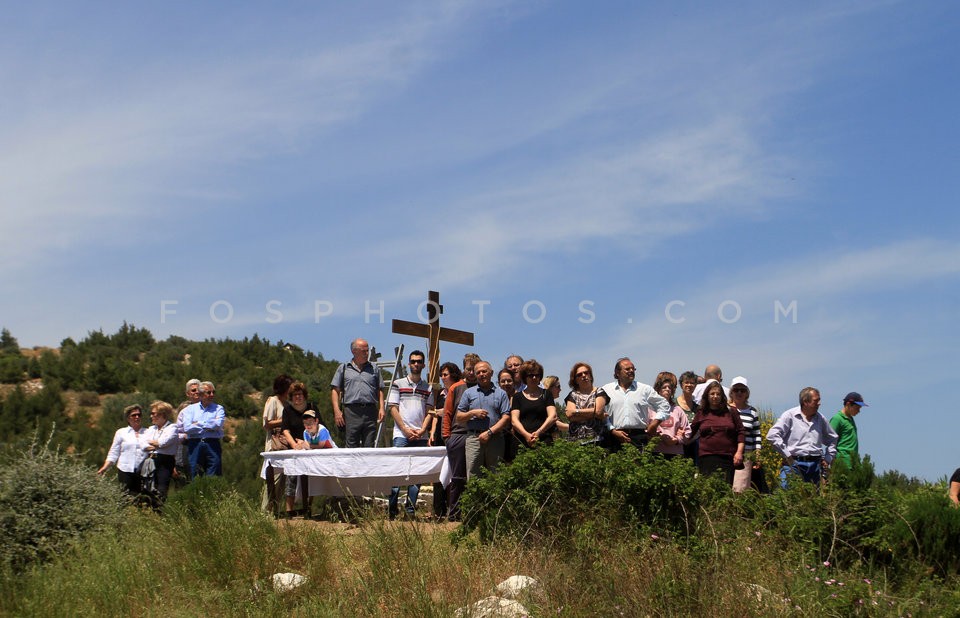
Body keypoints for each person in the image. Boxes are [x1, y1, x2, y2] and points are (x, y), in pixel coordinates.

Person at [387, 350, 435, 520]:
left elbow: (430, 411)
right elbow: (393, 408)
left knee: (417, 474)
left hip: (420, 435)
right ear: (409, 363)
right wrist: (405, 430)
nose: (416, 364)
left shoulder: (428, 387)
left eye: (419, 361)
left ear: (423, 364)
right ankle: (392, 510)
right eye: (413, 361)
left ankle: (410, 511)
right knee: (396, 473)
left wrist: (422, 430)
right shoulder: (398, 383)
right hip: (401, 434)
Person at [767, 387, 838, 488]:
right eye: (816, 400)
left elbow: (833, 438)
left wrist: (828, 459)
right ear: (805, 402)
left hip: (815, 466)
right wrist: (787, 455)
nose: (819, 403)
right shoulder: (790, 416)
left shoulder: (820, 418)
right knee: (788, 496)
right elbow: (772, 435)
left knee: (812, 500)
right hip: (794, 464)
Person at [596, 357, 671, 451]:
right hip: (613, 437)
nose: (631, 371)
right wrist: (612, 430)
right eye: (627, 369)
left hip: (638, 437)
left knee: (639, 464)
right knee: (614, 465)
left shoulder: (644, 389)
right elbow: (601, 413)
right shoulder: (607, 390)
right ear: (617, 373)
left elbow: (664, 405)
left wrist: (655, 423)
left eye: (633, 369)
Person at [456, 360, 511, 478]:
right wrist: (472, 413)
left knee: (496, 475)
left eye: (484, 371)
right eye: (478, 372)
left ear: (491, 373)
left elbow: (506, 418)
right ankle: (475, 497)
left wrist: (489, 432)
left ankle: (496, 497)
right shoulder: (468, 393)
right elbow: (459, 417)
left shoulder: (501, 394)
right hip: (474, 439)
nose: (481, 374)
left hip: (495, 439)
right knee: (473, 475)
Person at [443, 353, 480, 521]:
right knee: (457, 477)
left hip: (478, 435)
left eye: (474, 369)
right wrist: (446, 437)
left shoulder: (483, 387)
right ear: (464, 369)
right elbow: (448, 413)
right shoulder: (456, 387)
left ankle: (474, 513)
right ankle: (455, 514)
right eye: (468, 369)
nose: (471, 372)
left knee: (475, 475)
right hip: (458, 434)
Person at [331, 338, 385, 448]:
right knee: (351, 446)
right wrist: (337, 411)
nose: (367, 353)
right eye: (363, 351)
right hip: (351, 411)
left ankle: (367, 465)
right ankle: (351, 466)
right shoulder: (344, 368)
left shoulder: (374, 368)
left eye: (367, 350)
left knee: (369, 446)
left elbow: (380, 389)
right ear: (354, 351)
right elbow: (335, 390)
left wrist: (382, 408)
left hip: (370, 411)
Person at [691, 381, 745, 485]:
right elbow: (691, 431)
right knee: (708, 490)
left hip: (727, 457)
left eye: (718, 394)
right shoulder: (701, 412)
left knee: (724, 491)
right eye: (712, 394)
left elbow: (741, 432)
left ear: (722, 396)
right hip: (707, 458)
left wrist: (739, 452)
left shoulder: (731, 411)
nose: (715, 396)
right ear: (707, 395)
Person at [429, 361, 461, 520]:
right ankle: (438, 510)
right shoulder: (440, 393)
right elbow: (436, 414)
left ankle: (453, 509)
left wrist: (445, 412)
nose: (442, 377)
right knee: (439, 472)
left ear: (453, 375)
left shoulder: (460, 391)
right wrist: (432, 432)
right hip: (440, 435)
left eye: (445, 374)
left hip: (455, 434)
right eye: (441, 375)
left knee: (454, 473)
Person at [178, 381, 226, 478]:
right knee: (195, 472)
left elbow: (217, 424)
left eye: (213, 392)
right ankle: (197, 493)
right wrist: (209, 424)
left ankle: (211, 493)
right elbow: (187, 428)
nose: (212, 395)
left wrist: (198, 423)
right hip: (195, 444)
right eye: (208, 392)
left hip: (212, 443)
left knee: (214, 472)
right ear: (200, 394)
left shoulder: (218, 408)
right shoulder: (189, 410)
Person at [97, 404, 147, 496]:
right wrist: (105, 467)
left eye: (139, 415)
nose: (137, 417)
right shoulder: (121, 433)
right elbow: (114, 452)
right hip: (125, 470)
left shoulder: (148, 432)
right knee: (125, 496)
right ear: (128, 418)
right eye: (134, 415)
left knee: (141, 497)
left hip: (142, 472)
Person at [281, 382, 315, 517]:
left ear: (304, 395)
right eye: (295, 395)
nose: (298, 397)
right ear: (291, 397)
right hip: (294, 450)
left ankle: (308, 509)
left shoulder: (312, 407)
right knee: (291, 478)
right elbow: (285, 430)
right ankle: (289, 511)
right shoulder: (287, 410)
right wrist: (294, 445)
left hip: (311, 448)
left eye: (300, 394)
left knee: (313, 478)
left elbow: (320, 427)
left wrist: (307, 443)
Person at [262, 374, 294, 515]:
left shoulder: (287, 404)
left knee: (282, 481)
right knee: (272, 481)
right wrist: (285, 421)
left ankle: (275, 511)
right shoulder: (273, 401)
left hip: (284, 446)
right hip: (274, 446)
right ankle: (265, 512)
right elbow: (266, 423)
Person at [510, 360, 557, 448]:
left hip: (544, 440)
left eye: (537, 375)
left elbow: (552, 416)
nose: (534, 378)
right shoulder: (517, 397)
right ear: (524, 377)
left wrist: (538, 432)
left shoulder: (547, 394)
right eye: (531, 375)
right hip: (522, 442)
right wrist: (526, 435)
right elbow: (514, 420)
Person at [728, 377, 764, 493]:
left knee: (741, 489)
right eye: (736, 390)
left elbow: (757, 435)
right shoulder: (725, 409)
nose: (739, 393)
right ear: (731, 392)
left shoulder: (752, 411)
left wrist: (757, 454)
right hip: (727, 453)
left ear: (747, 393)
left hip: (746, 456)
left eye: (742, 390)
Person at [143, 400, 179, 505]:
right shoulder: (151, 429)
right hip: (151, 460)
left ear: (163, 415)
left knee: (161, 488)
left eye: (154, 414)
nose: (151, 416)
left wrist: (154, 444)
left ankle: (160, 512)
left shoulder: (172, 428)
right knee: (149, 487)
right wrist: (155, 444)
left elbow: (163, 442)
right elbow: (143, 444)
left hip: (165, 462)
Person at [648, 372, 691, 458]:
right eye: (664, 387)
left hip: (675, 453)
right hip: (655, 452)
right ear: (658, 389)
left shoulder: (678, 410)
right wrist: (659, 436)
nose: (667, 389)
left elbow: (687, 432)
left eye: (670, 387)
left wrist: (676, 440)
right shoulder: (649, 409)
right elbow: (645, 428)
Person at [564, 362, 604, 444]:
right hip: (576, 441)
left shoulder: (599, 391)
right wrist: (594, 415)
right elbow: (569, 415)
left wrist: (576, 411)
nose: (583, 375)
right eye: (579, 374)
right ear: (575, 380)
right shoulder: (572, 395)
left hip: (597, 439)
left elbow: (599, 412)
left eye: (586, 373)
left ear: (590, 375)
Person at [829, 391, 868, 469]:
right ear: (848, 404)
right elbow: (830, 441)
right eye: (857, 408)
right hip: (842, 463)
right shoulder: (837, 419)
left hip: (853, 463)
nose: (859, 411)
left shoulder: (850, 419)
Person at [174, 378, 201, 479]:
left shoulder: (211, 408)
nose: (197, 392)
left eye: (198, 389)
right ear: (188, 393)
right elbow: (178, 433)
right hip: (188, 447)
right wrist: (186, 435)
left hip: (206, 446)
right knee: (188, 478)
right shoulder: (184, 411)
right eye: (193, 390)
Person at [498, 368, 521, 463]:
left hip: (517, 437)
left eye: (509, 380)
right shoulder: (496, 397)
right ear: (498, 383)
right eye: (503, 381)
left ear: (514, 382)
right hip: (500, 437)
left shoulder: (520, 397)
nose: (506, 383)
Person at [677, 371, 700, 461]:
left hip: (693, 447)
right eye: (686, 382)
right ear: (681, 384)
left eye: (692, 383)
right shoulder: (674, 404)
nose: (689, 385)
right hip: (676, 446)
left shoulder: (698, 408)